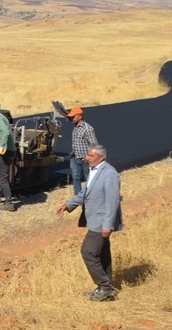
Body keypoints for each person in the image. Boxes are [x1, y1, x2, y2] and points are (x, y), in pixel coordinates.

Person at [56, 145, 123, 302]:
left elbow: (112, 202)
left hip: (101, 222)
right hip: (95, 219)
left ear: (101, 157)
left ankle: (104, 287)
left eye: (90, 155)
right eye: (88, 155)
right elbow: (84, 194)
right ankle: (107, 288)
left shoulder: (110, 174)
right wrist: (68, 205)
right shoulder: (94, 171)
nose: (86, 157)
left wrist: (108, 225)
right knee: (102, 254)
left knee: (88, 252)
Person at [65, 105, 99, 196]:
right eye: (71, 117)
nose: (71, 118)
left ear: (80, 116)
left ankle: (90, 196)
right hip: (75, 157)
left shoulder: (88, 129)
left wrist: (90, 157)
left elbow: (94, 144)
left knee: (88, 178)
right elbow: (68, 117)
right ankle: (78, 197)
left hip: (85, 159)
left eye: (73, 116)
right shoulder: (76, 126)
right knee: (76, 178)